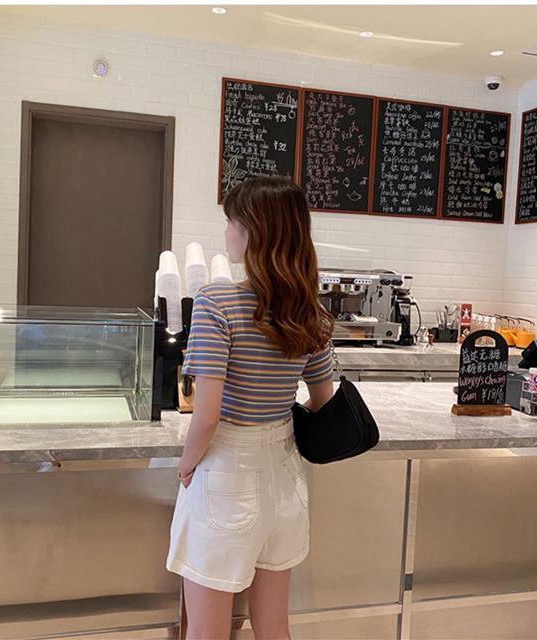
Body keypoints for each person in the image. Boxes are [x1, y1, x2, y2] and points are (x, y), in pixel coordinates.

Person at [166, 176, 335, 639]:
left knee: (207, 631)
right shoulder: (308, 312)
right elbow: (322, 401)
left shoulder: (216, 302)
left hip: (226, 473)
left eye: (231, 221)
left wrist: (185, 466)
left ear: (254, 232)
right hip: (285, 478)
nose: (226, 232)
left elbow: (207, 415)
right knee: (273, 627)